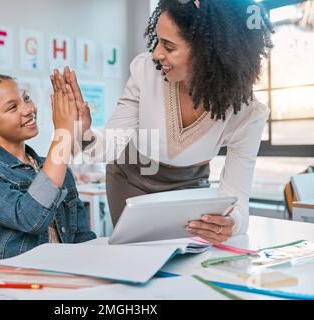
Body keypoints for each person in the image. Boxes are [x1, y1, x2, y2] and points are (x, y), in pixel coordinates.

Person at [53, 0, 273, 244]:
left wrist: (233, 223)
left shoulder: (248, 114)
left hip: (189, 190)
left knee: (186, 259)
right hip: (131, 180)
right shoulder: (146, 71)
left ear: (211, 52)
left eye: (168, 46)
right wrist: (83, 132)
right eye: (157, 41)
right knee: (138, 260)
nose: (156, 53)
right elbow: (110, 146)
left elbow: (237, 197)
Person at [0, 74, 96, 263]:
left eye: (26, 98)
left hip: (61, 274)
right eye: (12, 107)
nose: (29, 109)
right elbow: (31, 218)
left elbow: (81, 239)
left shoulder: (57, 168)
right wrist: (63, 135)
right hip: (6, 282)